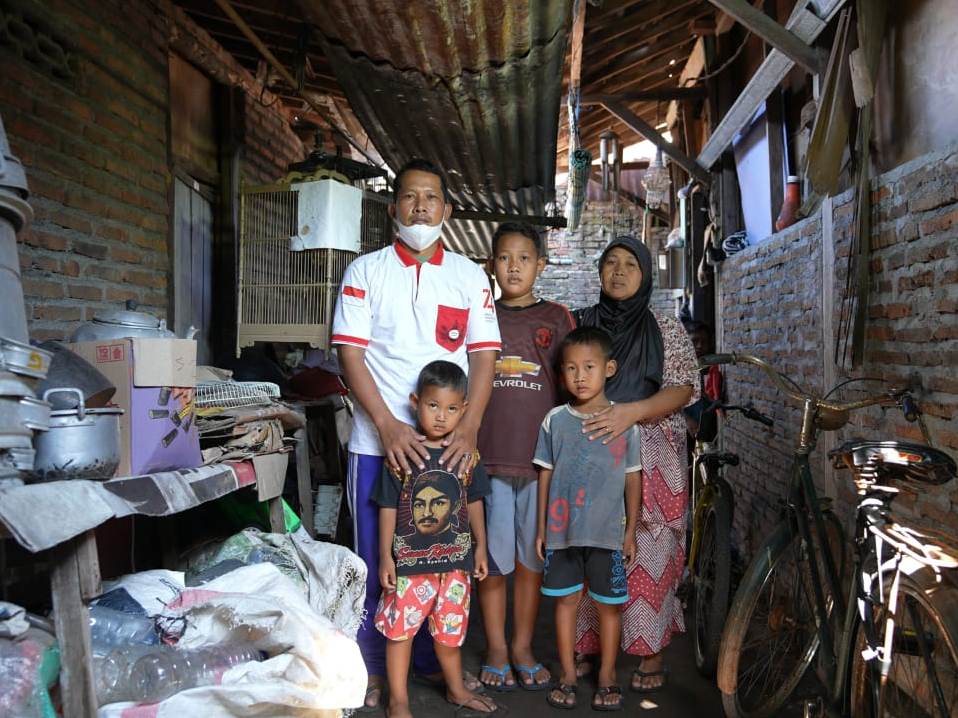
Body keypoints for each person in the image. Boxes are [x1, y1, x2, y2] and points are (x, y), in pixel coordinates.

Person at [332, 158, 501, 710]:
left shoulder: (471, 278)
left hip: (446, 450)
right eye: (409, 197)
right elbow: (349, 353)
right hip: (376, 443)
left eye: (431, 197)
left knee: (442, 556)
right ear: (393, 208)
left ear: (447, 210)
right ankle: (376, 668)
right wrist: (386, 425)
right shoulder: (366, 271)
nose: (420, 207)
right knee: (377, 560)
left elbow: (483, 356)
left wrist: (469, 428)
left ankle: (431, 663)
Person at [571, 236, 698, 694]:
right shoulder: (580, 323)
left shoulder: (664, 328)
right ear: (599, 271)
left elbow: (684, 388)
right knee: (589, 545)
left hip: (651, 448)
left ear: (646, 275)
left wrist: (631, 412)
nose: (619, 272)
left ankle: (650, 649)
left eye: (631, 265)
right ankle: (586, 645)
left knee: (649, 551)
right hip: (591, 446)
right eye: (611, 263)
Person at [476, 222, 575, 692]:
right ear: (490, 265)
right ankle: (496, 648)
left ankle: (521, 647)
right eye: (503, 257)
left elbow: (574, 387)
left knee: (532, 563)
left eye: (523, 257)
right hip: (488, 462)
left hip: (540, 467)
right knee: (494, 563)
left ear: (541, 264)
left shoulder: (557, 318)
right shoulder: (480, 314)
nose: (513, 266)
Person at [374, 361, 497, 718]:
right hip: (411, 566)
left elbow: (474, 502)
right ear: (415, 402)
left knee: (450, 633)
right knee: (400, 632)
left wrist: (481, 547)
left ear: (464, 409)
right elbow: (386, 506)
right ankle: (398, 699)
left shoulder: (466, 456)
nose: (442, 416)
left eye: (451, 408)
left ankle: (456, 689)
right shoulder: (403, 455)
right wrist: (386, 556)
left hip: (455, 568)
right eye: (433, 406)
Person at [533, 327, 642, 711]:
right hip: (562, 534)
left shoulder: (623, 423)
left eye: (589, 367)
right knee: (565, 604)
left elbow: (633, 477)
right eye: (571, 369)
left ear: (609, 369)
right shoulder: (554, 421)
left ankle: (608, 674)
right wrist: (542, 526)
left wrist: (630, 532)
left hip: (607, 535)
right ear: (561, 374)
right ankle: (566, 672)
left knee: (608, 607)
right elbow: (545, 473)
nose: (580, 376)